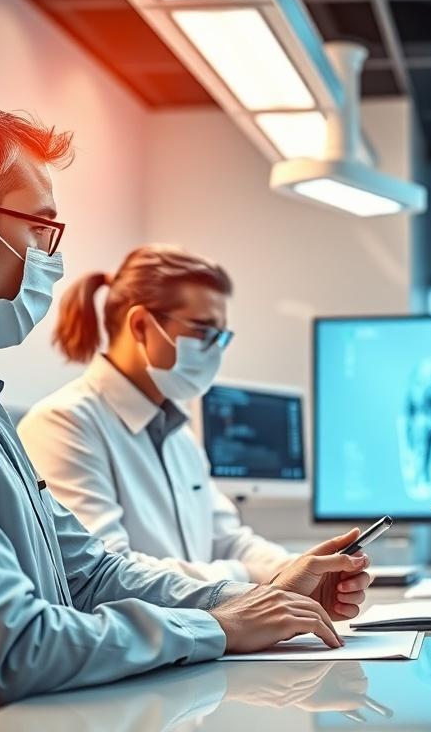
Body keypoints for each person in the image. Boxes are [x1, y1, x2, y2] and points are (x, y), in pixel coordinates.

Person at [0, 92, 368, 731]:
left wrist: (257, 596)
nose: (50, 257)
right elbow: (10, 647)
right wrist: (218, 626)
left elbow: (88, 573)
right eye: (40, 228)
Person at [20, 246, 351, 590]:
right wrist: (251, 577)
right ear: (141, 325)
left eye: (221, 336)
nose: (215, 350)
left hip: (202, 622)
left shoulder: (179, 435)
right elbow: (107, 575)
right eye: (203, 331)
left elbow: (228, 540)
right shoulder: (64, 425)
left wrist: (306, 570)